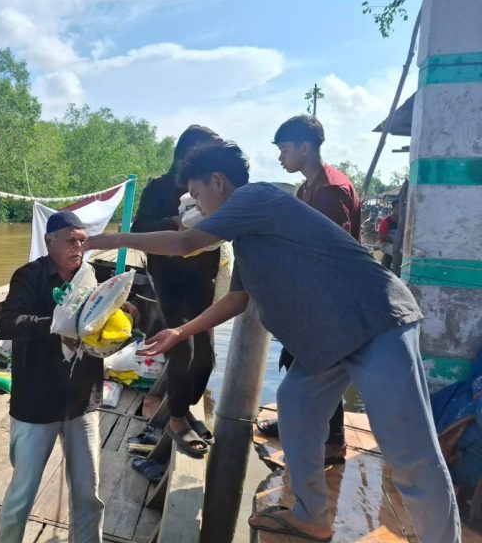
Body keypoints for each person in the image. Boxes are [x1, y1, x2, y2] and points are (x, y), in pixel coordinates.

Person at [85, 141, 459, 542]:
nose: (195, 204)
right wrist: (181, 331)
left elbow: (184, 243)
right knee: (296, 405)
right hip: (332, 336)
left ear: (218, 181)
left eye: (196, 194)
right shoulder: (248, 234)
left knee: (410, 453)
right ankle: (311, 515)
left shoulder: (255, 197)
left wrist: (112, 240)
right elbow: (237, 299)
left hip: (376, 318)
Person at [259, 114, 362, 464]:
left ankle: (332, 443)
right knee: (304, 359)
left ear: (305, 147)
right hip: (312, 290)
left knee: (323, 364)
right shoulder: (307, 187)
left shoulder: (331, 190)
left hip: (330, 294)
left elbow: (335, 249)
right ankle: (295, 422)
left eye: (285, 149)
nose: (280, 158)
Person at [0, 211, 104, 543]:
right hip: (36, 402)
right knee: (22, 493)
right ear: (49, 241)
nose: (78, 247)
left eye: (83, 241)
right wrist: (55, 327)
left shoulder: (90, 275)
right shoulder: (29, 276)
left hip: (82, 400)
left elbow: (100, 316)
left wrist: (125, 315)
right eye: (71, 240)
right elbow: (6, 325)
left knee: (88, 493)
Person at [131, 125, 222, 457]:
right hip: (167, 275)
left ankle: (182, 403)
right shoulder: (159, 186)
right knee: (180, 348)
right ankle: (178, 418)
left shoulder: (214, 184)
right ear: (186, 153)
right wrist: (176, 222)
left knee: (207, 354)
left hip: (203, 275)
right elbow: (138, 229)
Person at [379, 199, 400, 271]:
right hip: (386, 244)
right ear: (393, 209)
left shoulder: (403, 220)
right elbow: (382, 235)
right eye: (398, 208)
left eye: (402, 207)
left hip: (397, 244)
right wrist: (395, 241)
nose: (400, 209)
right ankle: (396, 271)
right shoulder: (386, 221)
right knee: (398, 253)